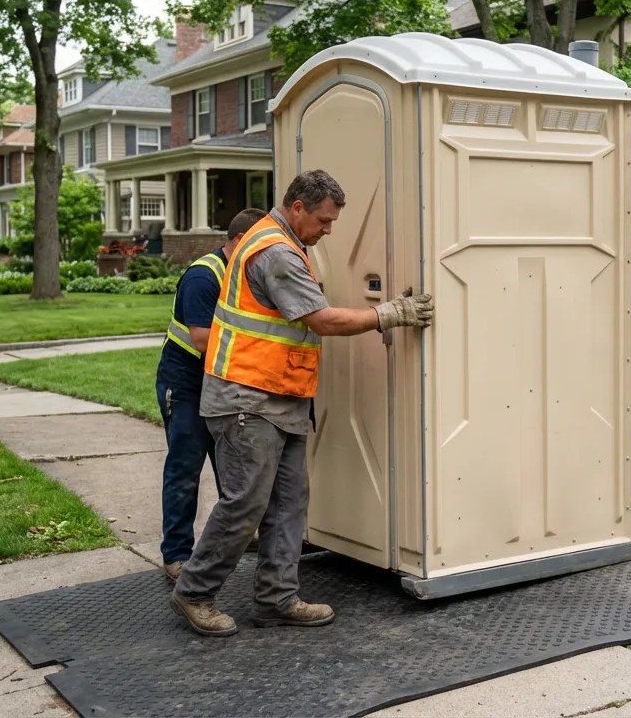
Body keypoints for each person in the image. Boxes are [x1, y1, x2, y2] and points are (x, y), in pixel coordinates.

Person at [171, 170, 434, 637]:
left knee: (289, 503)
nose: (328, 229)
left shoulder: (285, 244)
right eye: (323, 220)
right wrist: (389, 314)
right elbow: (322, 320)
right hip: (246, 399)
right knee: (245, 504)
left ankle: (276, 598)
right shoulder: (275, 252)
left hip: (281, 399)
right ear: (297, 208)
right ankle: (195, 591)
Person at [156, 207, 268, 581]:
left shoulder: (244, 272)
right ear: (237, 241)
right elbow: (204, 341)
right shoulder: (204, 277)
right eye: (255, 247)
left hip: (222, 380)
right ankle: (176, 554)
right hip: (186, 383)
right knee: (185, 469)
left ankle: (233, 538)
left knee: (232, 466)